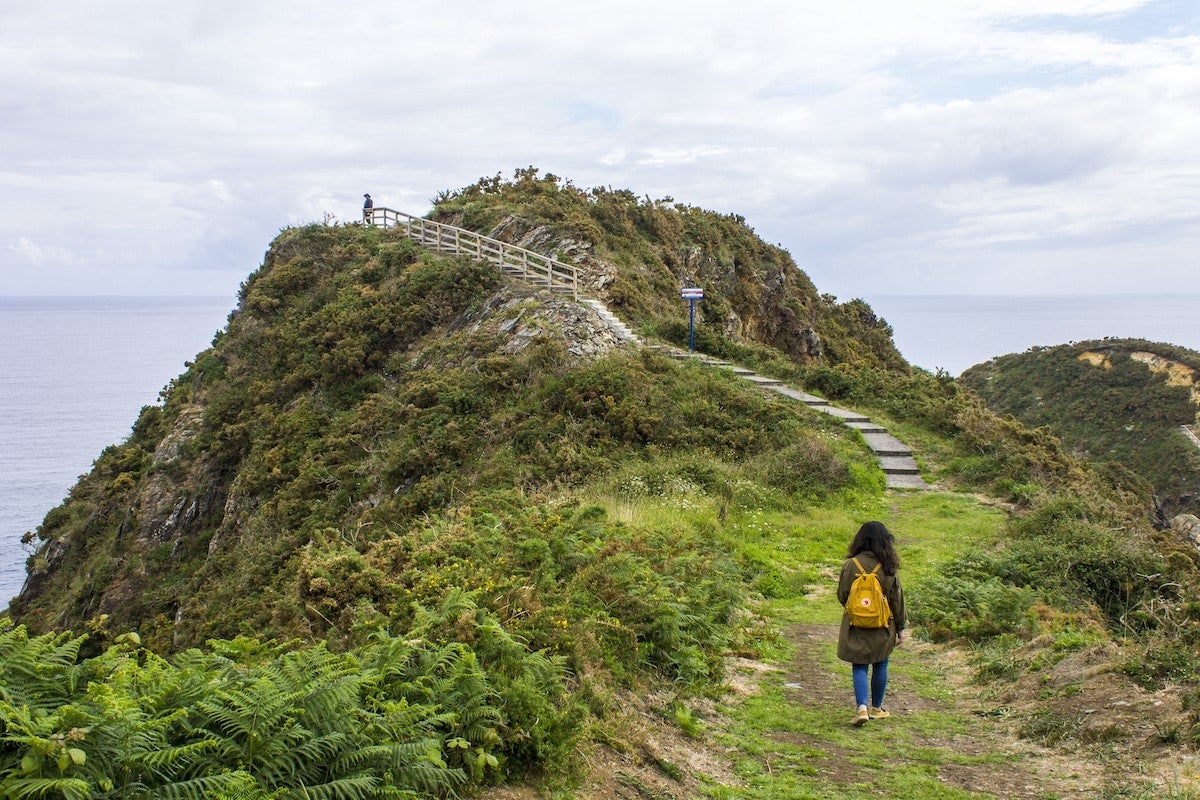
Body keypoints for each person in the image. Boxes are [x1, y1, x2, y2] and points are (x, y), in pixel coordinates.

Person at [837, 520, 906, 727]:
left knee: (859, 665)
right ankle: (876, 708)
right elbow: (897, 600)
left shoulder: (851, 565)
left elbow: (842, 595)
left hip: (855, 625)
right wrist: (901, 628)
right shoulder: (888, 567)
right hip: (883, 624)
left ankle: (861, 708)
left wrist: (858, 609)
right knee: (881, 662)